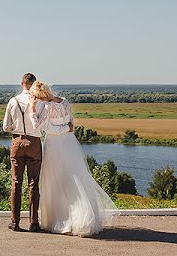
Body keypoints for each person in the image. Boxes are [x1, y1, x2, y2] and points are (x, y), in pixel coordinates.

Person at [30, 81, 118, 236]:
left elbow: (38, 126)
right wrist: (67, 129)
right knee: (75, 177)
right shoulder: (64, 101)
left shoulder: (47, 107)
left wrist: (32, 109)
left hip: (54, 146)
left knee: (55, 181)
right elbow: (72, 124)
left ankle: (62, 220)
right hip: (69, 143)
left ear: (38, 96)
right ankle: (81, 217)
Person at [2, 72, 46, 232]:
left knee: (16, 183)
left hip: (17, 142)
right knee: (33, 183)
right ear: (34, 84)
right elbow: (41, 126)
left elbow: (5, 127)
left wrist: (17, 128)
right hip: (34, 143)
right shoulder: (40, 103)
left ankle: (15, 222)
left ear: (22, 84)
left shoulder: (13, 101)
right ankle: (34, 223)